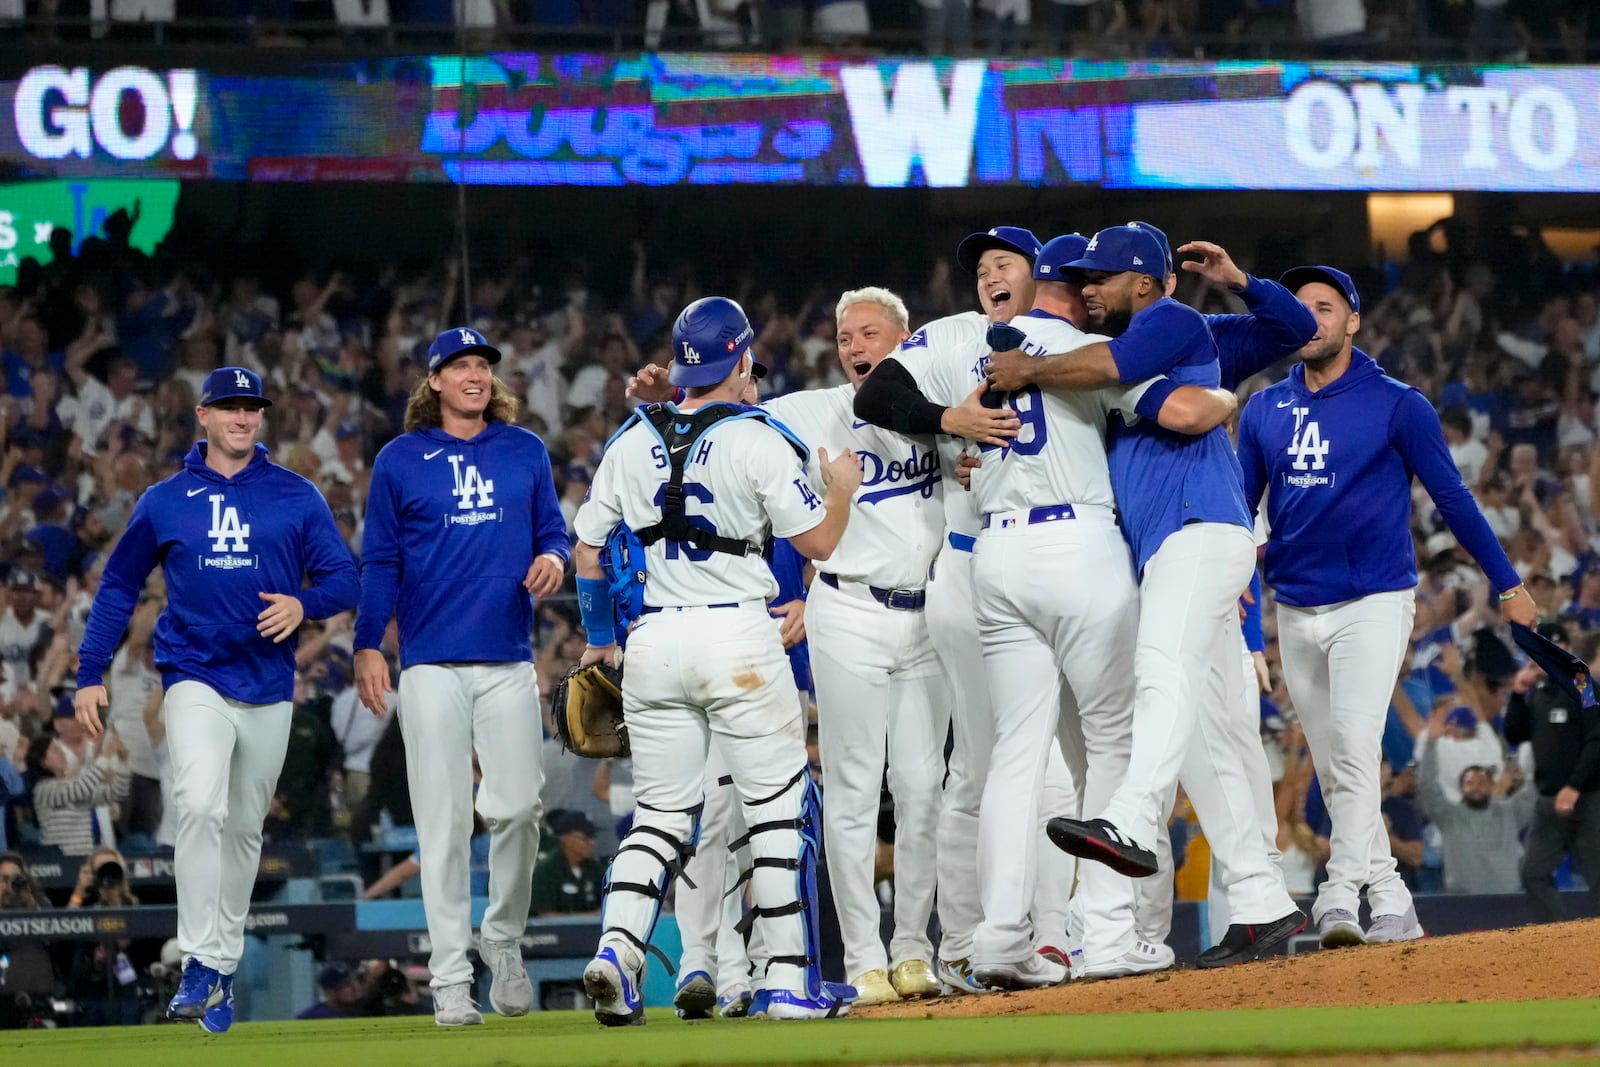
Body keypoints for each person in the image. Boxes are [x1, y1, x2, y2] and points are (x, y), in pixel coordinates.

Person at [975, 224, 1301, 977]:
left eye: (1104, 277)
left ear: (1146, 284)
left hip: (1198, 531)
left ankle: (1128, 820)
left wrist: (1241, 278)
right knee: (1204, 736)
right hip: (1168, 549)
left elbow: (1291, 329)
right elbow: (1180, 404)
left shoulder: (1176, 322)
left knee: (1158, 673)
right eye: (1082, 277)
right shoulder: (1125, 363)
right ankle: (1261, 898)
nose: (1088, 288)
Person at [572, 296, 863, 1024]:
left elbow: (586, 551)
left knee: (661, 816)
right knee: (777, 809)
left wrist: (601, 636)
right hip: (736, 635)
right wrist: (844, 492)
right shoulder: (757, 436)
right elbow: (820, 544)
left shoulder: (629, 440)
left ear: (679, 363)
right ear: (738, 360)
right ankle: (790, 983)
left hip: (654, 643)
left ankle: (617, 950)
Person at [1233, 265, 1538, 945]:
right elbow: (1239, 522)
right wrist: (1251, 625)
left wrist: (1509, 582)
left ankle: (1337, 896)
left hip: (1375, 598)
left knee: (1354, 745)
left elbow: (1453, 499)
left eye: (1325, 307)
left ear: (1353, 321)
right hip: (1298, 606)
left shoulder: (1399, 402)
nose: (1311, 318)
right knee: (1336, 755)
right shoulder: (1261, 410)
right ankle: (1393, 895)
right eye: (1298, 307)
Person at [73, 365, 360, 1034]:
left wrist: (304, 603)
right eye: (228, 407)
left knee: (245, 829)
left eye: (251, 407)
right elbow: (117, 586)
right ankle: (200, 956)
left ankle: (220, 964)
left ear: (260, 417)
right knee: (199, 803)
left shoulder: (296, 494)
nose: (241, 417)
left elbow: (346, 577)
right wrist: (90, 670)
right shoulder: (165, 498)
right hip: (193, 672)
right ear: (202, 415)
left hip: (267, 683)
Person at [354, 326, 569, 1027]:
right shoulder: (400, 459)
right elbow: (380, 559)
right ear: (435, 380)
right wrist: (366, 644)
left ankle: (501, 938)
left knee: (517, 808)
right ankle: (450, 978)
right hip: (428, 665)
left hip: (507, 657)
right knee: (442, 826)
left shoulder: (525, 449)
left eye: (483, 365)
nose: (475, 374)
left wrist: (556, 560)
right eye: (461, 365)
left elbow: (553, 532)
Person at [1504, 629, 1600, 921]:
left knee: (1598, 875)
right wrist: (1518, 695)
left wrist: (1574, 786)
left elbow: (1597, 740)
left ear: (1568, 649)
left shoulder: (1584, 687)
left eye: (1556, 647)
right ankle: (1556, 938)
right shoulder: (1538, 693)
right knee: (1533, 873)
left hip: (1587, 797)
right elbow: (1515, 733)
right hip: (1548, 801)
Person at [1415, 707, 1534, 893]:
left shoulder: (1510, 813)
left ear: (1492, 786)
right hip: (1462, 905)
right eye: (1470, 783)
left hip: (1509, 903)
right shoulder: (1448, 815)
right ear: (1461, 789)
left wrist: (1541, 736)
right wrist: (1431, 743)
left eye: (1482, 782)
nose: (1476, 787)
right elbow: (1428, 786)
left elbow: (1534, 790)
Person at [529, 810, 604, 916]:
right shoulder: (546, 870)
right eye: (585, 838)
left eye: (593, 838)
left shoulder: (594, 868)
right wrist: (590, 917)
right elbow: (544, 916)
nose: (591, 843)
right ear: (566, 838)